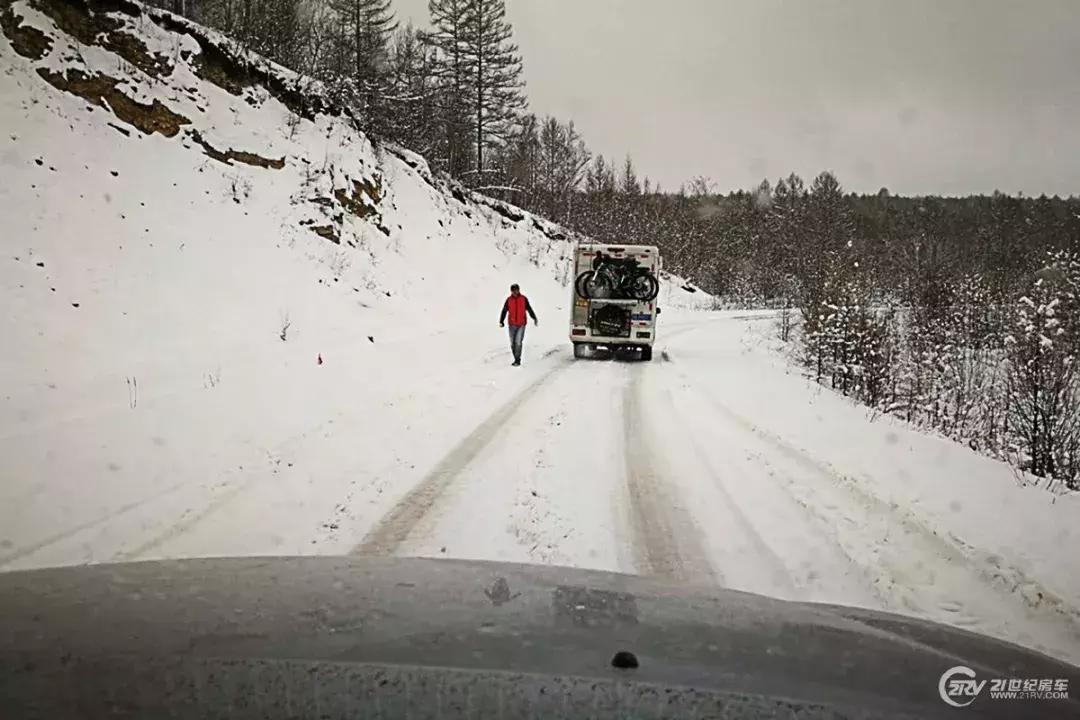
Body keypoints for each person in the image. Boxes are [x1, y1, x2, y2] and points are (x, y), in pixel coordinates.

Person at [499, 283, 538, 366]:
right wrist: (501, 321)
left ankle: (517, 360)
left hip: (521, 324)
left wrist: (534, 317)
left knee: (518, 342)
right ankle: (516, 357)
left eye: (516, 290)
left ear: (519, 290)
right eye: (513, 291)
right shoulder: (509, 300)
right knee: (512, 343)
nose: (515, 292)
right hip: (512, 324)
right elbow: (504, 310)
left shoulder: (523, 299)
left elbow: (529, 309)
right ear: (511, 291)